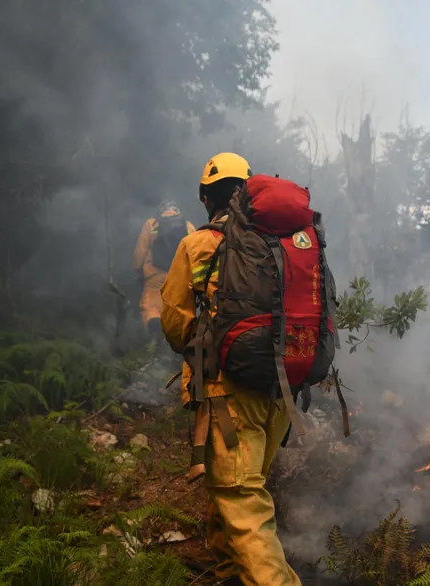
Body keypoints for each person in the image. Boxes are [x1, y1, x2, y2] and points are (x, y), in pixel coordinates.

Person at [160, 152, 303, 586]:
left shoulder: (197, 243)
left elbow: (174, 321)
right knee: (236, 487)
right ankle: (228, 574)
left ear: (207, 198)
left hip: (228, 396)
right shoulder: (278, 241)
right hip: (279, 391)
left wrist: (205, 343)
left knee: (239, 497)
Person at [132, 200, 194, 344]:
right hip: (179, 275)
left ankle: (156, 333)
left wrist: (137, 269)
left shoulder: (152, 224)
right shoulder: (188, 226)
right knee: (177, 307)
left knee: (151, 306)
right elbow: (195, 253)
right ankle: (176, 342)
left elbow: (141, 250)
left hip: (155, 275)